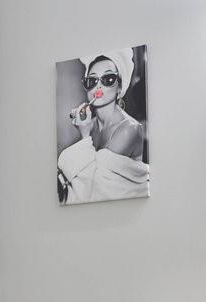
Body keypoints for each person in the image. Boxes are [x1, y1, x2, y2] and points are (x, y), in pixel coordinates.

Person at [58, 50, 149, 204]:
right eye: (92, 81)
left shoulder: (129, 129)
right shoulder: (89, 124)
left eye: (108, 78)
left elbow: (95, 190)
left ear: (119, 88)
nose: (98, 85)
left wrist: (85, 137)